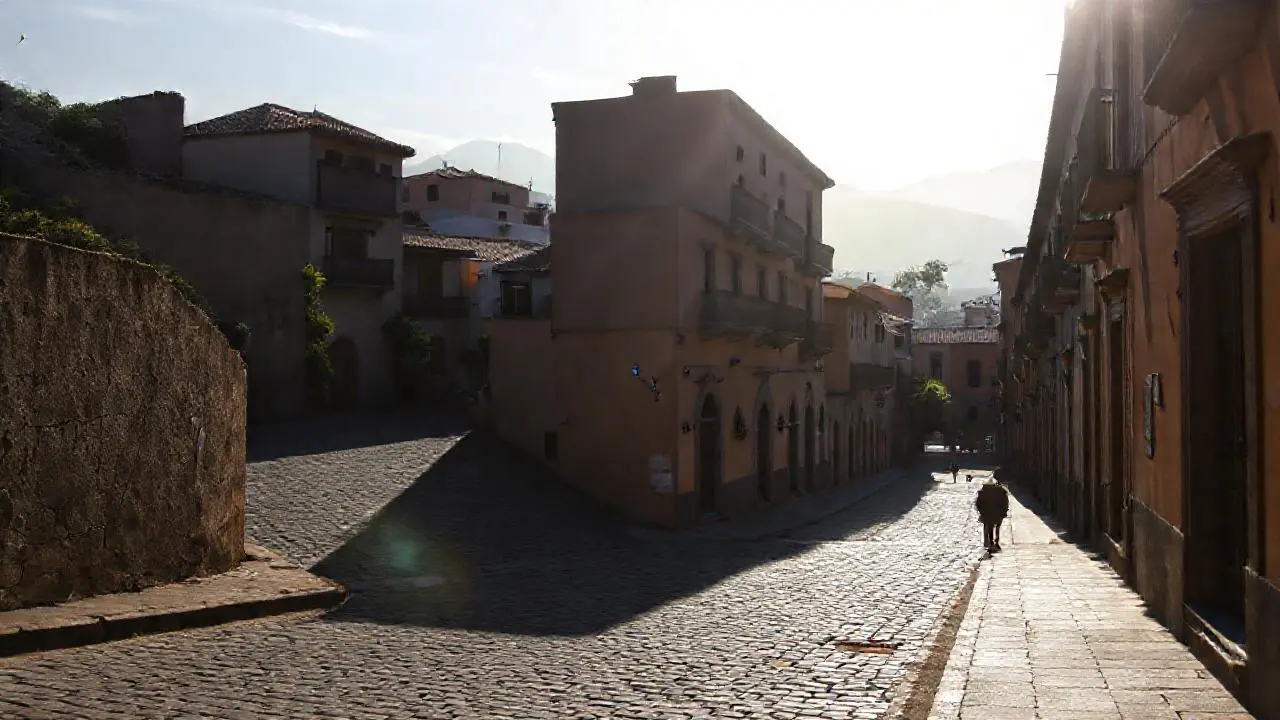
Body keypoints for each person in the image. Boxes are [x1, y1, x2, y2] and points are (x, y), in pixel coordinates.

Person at [975, 477, 1010, 551]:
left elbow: (978, 504)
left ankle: (989, 542)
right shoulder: (1000, 491)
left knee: (989, 527)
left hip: (987, 513)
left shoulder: (982, 492)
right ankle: (996, 543)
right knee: (997, 528)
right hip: (998, 513)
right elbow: (1005, 502)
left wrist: (981, 511)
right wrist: (1004, 512)